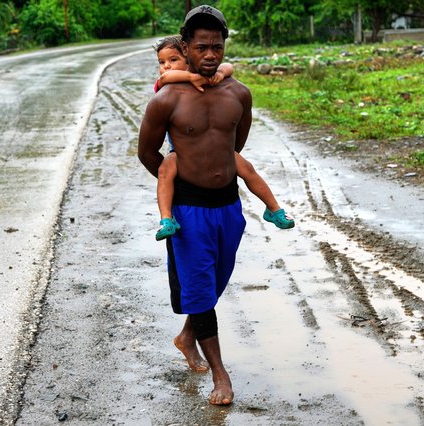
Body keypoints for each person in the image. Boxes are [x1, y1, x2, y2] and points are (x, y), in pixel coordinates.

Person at [139, 5, 258, 406]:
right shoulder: (166, 99)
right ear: (186, 48)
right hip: (189, 212)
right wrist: (178, 181)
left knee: (216, 280)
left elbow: (234, 146)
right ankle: (221, 376)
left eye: (217, 47)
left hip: (228, 206)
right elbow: (146, 153)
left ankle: (188, 335)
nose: (210, 54)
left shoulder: (239, 93)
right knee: (201, 290)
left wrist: (213, 170)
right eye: (201, 47)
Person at [152, 36, 294, 241]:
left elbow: (228, 66)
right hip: (182, 153)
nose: (166, 67)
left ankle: (274, 209)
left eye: (173, 60)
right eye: (161, 62)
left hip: (218, 151)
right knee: (165, 170)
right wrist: (190, 78)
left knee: (247, 168)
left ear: (189, 58)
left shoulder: (209, 80)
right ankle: (166, 218)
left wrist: (220, 73)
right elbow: (165, 79)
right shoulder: (167, 87)